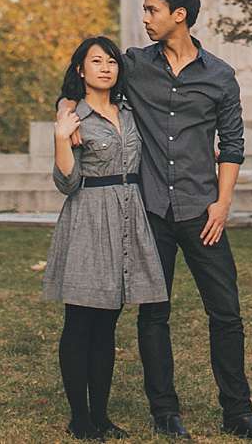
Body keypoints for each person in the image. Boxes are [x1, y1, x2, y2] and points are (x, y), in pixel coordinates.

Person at [60, 0, 252, 439]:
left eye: (152, 10)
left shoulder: (219, 75)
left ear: (179, 15)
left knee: (226, 314)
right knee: (153, 315)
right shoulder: (135, 64)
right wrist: (68, 112)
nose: (145, 18)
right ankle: (165, 413)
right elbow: (83, 72)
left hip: (204, 212)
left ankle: (238, 414)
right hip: (150, 212)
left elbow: (233, 144)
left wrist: (223, 203)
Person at [43, 35, 167, 439]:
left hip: (129, 217)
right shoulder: (73, 117)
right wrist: (63, 134)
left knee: (108, 323)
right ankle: (79, 417)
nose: (105, 67)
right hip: (89, 217)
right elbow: (67, 181)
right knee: (80, 321)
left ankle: (102, 415)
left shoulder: (130, 112)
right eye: (96, 61)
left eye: (111, 61)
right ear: (81, 70)